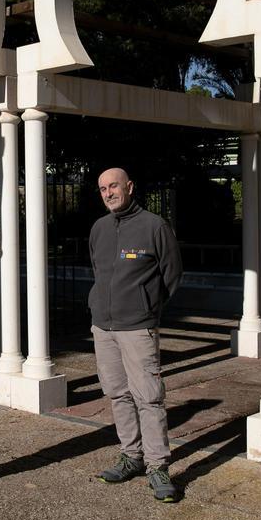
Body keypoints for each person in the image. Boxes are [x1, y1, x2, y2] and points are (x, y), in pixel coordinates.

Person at [89, 167, 183, 502]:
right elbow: (99, 272)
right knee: (118, 393)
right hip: (104, 326)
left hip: (137, 326)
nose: (108, 192)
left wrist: (147, 309)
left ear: (130, 186)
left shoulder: (154, 226)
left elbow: (172, 275)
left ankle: (158, 466)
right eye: (102, 188)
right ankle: (131, 455)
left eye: (113, 186)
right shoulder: (99, 228)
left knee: (149, 396)